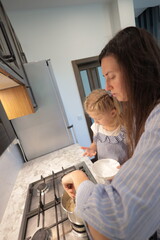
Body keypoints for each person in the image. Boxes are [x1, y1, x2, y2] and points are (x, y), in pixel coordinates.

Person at [62, 26, 160, 240]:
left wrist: (79, 177)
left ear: (137, 69)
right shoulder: (143, 114)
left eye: (111, 76)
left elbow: (113, 226)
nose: (107, 86)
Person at [81, 89, 128, 165]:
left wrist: (125, 165)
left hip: (122, 169)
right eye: (93, 118)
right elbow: (95, 143)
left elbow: (134, 152)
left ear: (113, 113)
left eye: (98, 118)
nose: (95, 122)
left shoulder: (125, 129)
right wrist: (91, 148)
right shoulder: (96, 127)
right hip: (104, 169)